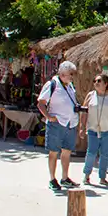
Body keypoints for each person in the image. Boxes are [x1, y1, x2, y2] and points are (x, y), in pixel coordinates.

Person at [37, 61, 81, 191]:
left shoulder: (69, 86)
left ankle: (65, 178)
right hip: (57, 123)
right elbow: (41, 103)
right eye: (70, 74)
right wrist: (49, 117)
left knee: (67, 151)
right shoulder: (52, 84)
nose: (72, 77)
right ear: (62, 74)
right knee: (53, 152)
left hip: (70, 122)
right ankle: (52, 178)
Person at [79, 74, 108, 185]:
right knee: (91, 153)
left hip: (107, 129)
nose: (96, 83)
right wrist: (81, 126)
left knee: (105, 154)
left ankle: (102, 178)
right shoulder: (91, 95)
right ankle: (86, 175)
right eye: (95, 81)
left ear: (106, 83)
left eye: (99, 81)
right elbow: (84, 111)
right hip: (93, 129)